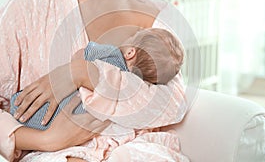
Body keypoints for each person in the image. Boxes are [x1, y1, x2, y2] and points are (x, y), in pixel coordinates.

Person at [0, 0, 194, 161]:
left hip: (133, 147)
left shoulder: (150, 14)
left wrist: (86, 74)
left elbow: (173, 104)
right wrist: (46, 140)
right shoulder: (28, 8)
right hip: (54, 153)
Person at [10, 28, 185, 131]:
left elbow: (79, 56)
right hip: (66, 125)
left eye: (132, 38)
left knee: (23, 105)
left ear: (131, 52)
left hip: (39, 109)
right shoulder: (129, 90)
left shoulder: (112, 53)